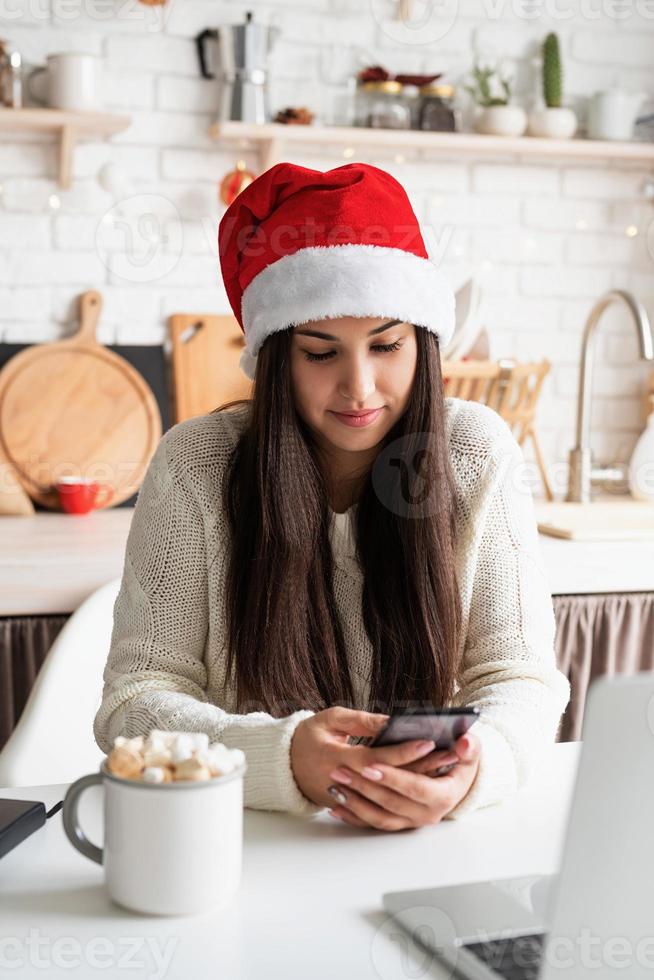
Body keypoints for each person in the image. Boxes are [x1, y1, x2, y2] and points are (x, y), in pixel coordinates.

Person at [93, 161, 570, 831]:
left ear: (424, 346)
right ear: (276, 359)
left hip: (431, 846)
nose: (360, 387)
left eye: (386, 346)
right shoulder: (195, 464)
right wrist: (280, 757)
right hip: (246, 844)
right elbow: (134, 702)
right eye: (321, 353)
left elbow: (520, 679)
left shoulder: (475, 452)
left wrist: (476, 765)